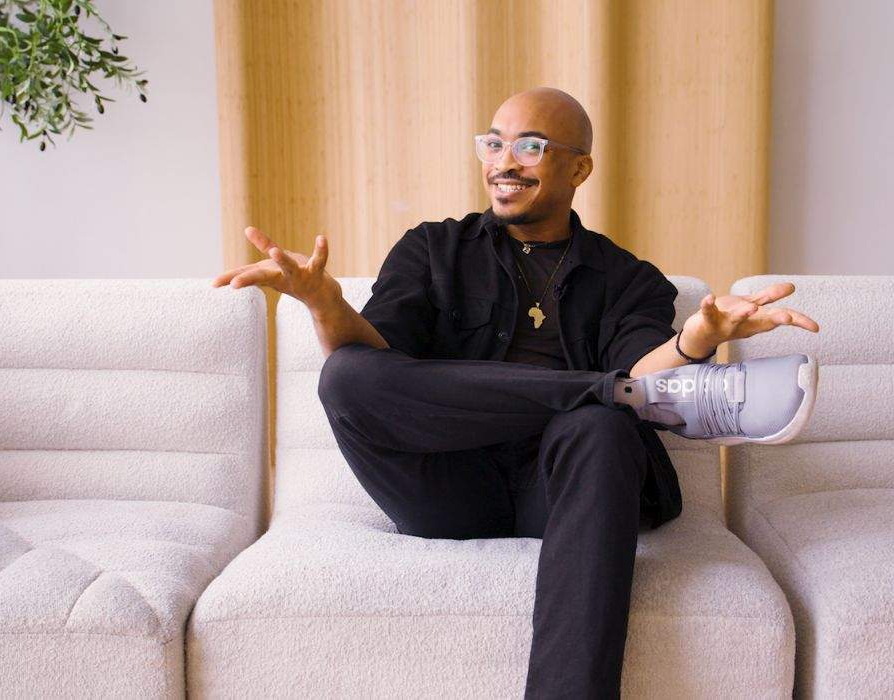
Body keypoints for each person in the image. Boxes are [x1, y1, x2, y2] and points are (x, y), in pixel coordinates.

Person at [213, 86, 820, 699]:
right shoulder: (433, 248)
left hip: (563, 489)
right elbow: (378, 365)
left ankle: (613, 400)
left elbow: (646, 364)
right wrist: (324, 301)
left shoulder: (629, 279)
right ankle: (611, 392)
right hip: (443, 484)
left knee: (604, 428)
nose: (505, 162)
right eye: (494, 143)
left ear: (579, 167)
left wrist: (696, 339)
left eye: (530, 147)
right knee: (346, 373)